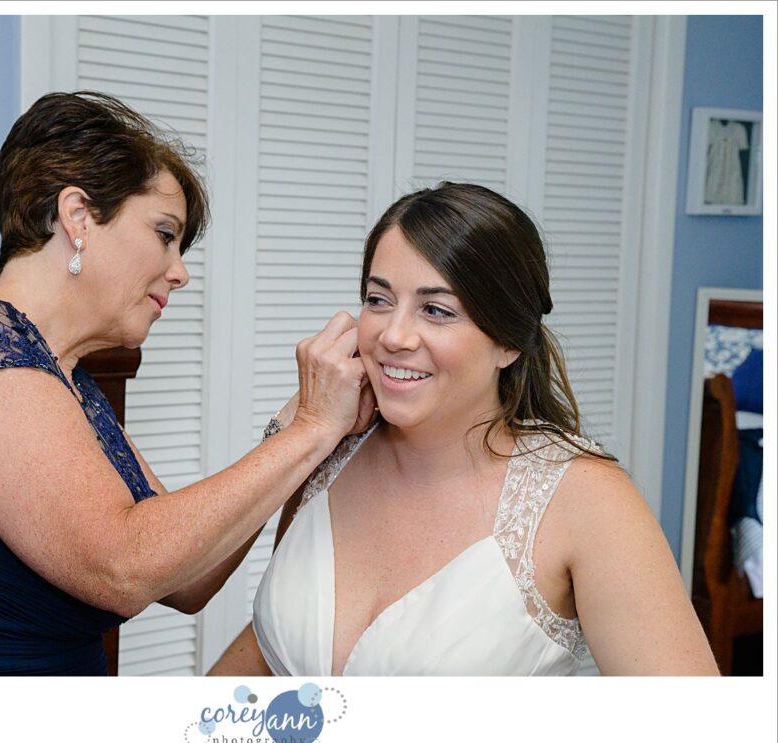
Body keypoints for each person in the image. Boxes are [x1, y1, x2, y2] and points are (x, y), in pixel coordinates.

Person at [0, 91, 375, 675]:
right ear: (78, 217)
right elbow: (123, 566)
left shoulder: (69, 384)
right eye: (165, 234)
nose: (180, 271)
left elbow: (188, 581)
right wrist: (310, 431)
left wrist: (301, 419)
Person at [210, 183, 720, 676]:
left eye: (436, 310)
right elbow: (279, 647)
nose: (393, 335)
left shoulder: (585, 498)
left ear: (509, 343)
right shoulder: (328, 453)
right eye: (378, 299)